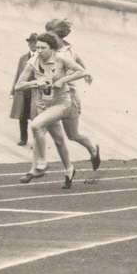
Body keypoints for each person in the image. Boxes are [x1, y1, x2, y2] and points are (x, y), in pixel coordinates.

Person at [13, 32, 91, 189]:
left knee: (36, 125)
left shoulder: (60, 58)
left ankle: (41, 163)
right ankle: (69, 170)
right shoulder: (32, 62)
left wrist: (63, 80)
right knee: (59, 140)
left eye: (43, 48)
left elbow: (82, 71)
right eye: (37, 48)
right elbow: (18, 85)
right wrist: (35, 83)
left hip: (61, 103)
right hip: (43, 105)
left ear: (52, 48)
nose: (39, 51)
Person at [45, 18, 101, 171]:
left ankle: (93, 150)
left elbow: (79, 63)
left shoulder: (68, 53)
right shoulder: (47, 49)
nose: (49, 38)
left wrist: (86, 74)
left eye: (52, 36)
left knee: (73, 135)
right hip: (51, 97)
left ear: (60, 36)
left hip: (69, 96)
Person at [9, 33, 39, 147]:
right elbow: (18, 75)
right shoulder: (23, 58)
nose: (32, 45)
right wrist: (13, 92)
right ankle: (23, 139)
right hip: (24, 92)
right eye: (30, 42)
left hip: (36, 93)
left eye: (34, 42)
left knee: (36, 119)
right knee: (22, 117)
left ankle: (37, 142)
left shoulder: (41, 58)